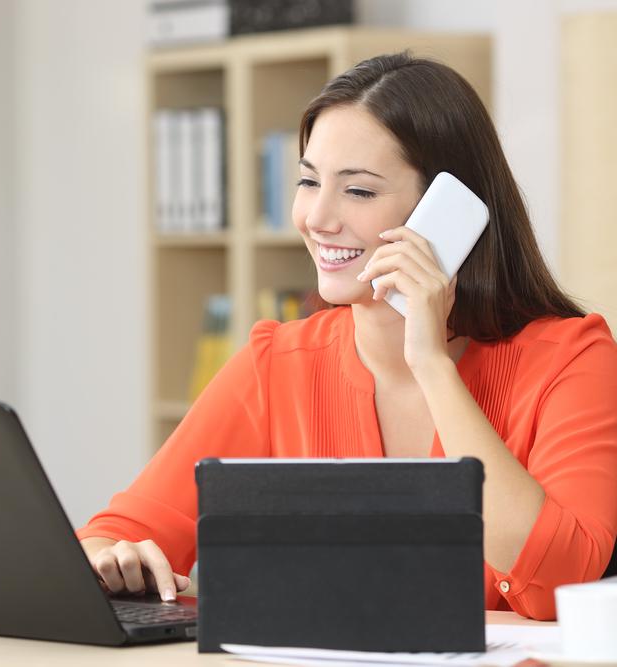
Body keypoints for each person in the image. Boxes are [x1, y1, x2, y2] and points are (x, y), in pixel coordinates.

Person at [76, 52, 617, 621]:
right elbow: (115, 534)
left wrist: (431, 363)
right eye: (309, 181)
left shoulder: (572, 359)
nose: (317, 217)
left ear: (449, 210)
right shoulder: (277, 364)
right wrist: (112, 558)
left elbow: (562, 575)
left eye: (358, 191)